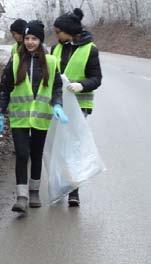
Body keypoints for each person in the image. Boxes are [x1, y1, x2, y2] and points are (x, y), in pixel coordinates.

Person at [0, 20, 69, 214]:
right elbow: (4, 88)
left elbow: (57, 87)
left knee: (36, 155)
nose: (29, 42)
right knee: (22, 154)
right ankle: (21, 196)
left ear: (40, 40)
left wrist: (58, 105)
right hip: (19, 117)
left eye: (34, 38)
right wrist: (0, 114)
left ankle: (34, 191)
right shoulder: (16, 60)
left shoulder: (51, 62)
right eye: (27, 38)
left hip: (41, 117)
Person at [52, 8, 102, 207]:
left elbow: (96, 78)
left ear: (69, 31)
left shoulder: (90, 49)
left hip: (79, 106)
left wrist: (81, 85)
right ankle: (59, 184)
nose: (56, 35)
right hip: (57, 105)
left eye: (58, 32)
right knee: (59, 148)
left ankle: (74, 190)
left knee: (73, 148)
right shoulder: (55, 49)